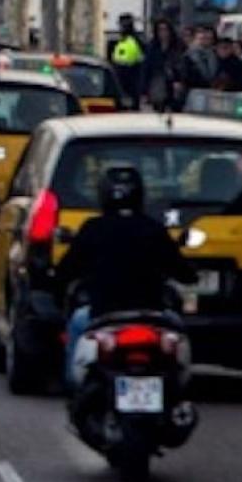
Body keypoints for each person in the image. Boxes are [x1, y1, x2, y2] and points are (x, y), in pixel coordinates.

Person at [60, 165, 195, 390]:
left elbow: (67, 270)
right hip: (153, 314)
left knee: (76, 324)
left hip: (103, 313)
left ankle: (74, 389)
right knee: (178, 331)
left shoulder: (93, 229)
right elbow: (184, 273)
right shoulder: (154, 229)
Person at [109, 14, 146, 109]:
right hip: (122, 82)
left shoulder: (134, 42)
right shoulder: (121, 42)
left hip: (130, 82)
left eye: (122, 25)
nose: (120, 28)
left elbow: (139, 63)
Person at [144, 18, 182, 110]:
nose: (163, 33)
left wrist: (178, 79)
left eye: (165, 29)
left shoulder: (178, 46)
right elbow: (146, 68)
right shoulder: (152, 47)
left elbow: (182, 65)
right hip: (157, 83)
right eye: (160, 30)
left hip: (174, 83)